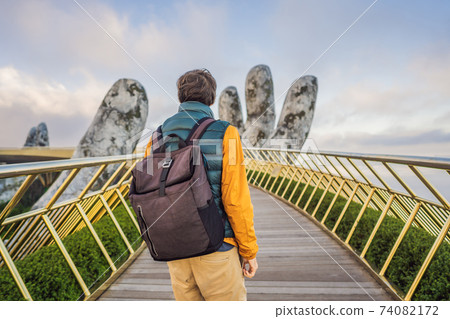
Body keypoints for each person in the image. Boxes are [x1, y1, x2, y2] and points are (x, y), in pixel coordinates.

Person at [144, 69, 258, 301]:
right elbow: (235, 198)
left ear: (180, 97)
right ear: (212, 98)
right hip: (218, 246)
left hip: (175, 248)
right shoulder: (226, 132)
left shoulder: (155, 137)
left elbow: (149, 192)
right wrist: (249, 251)